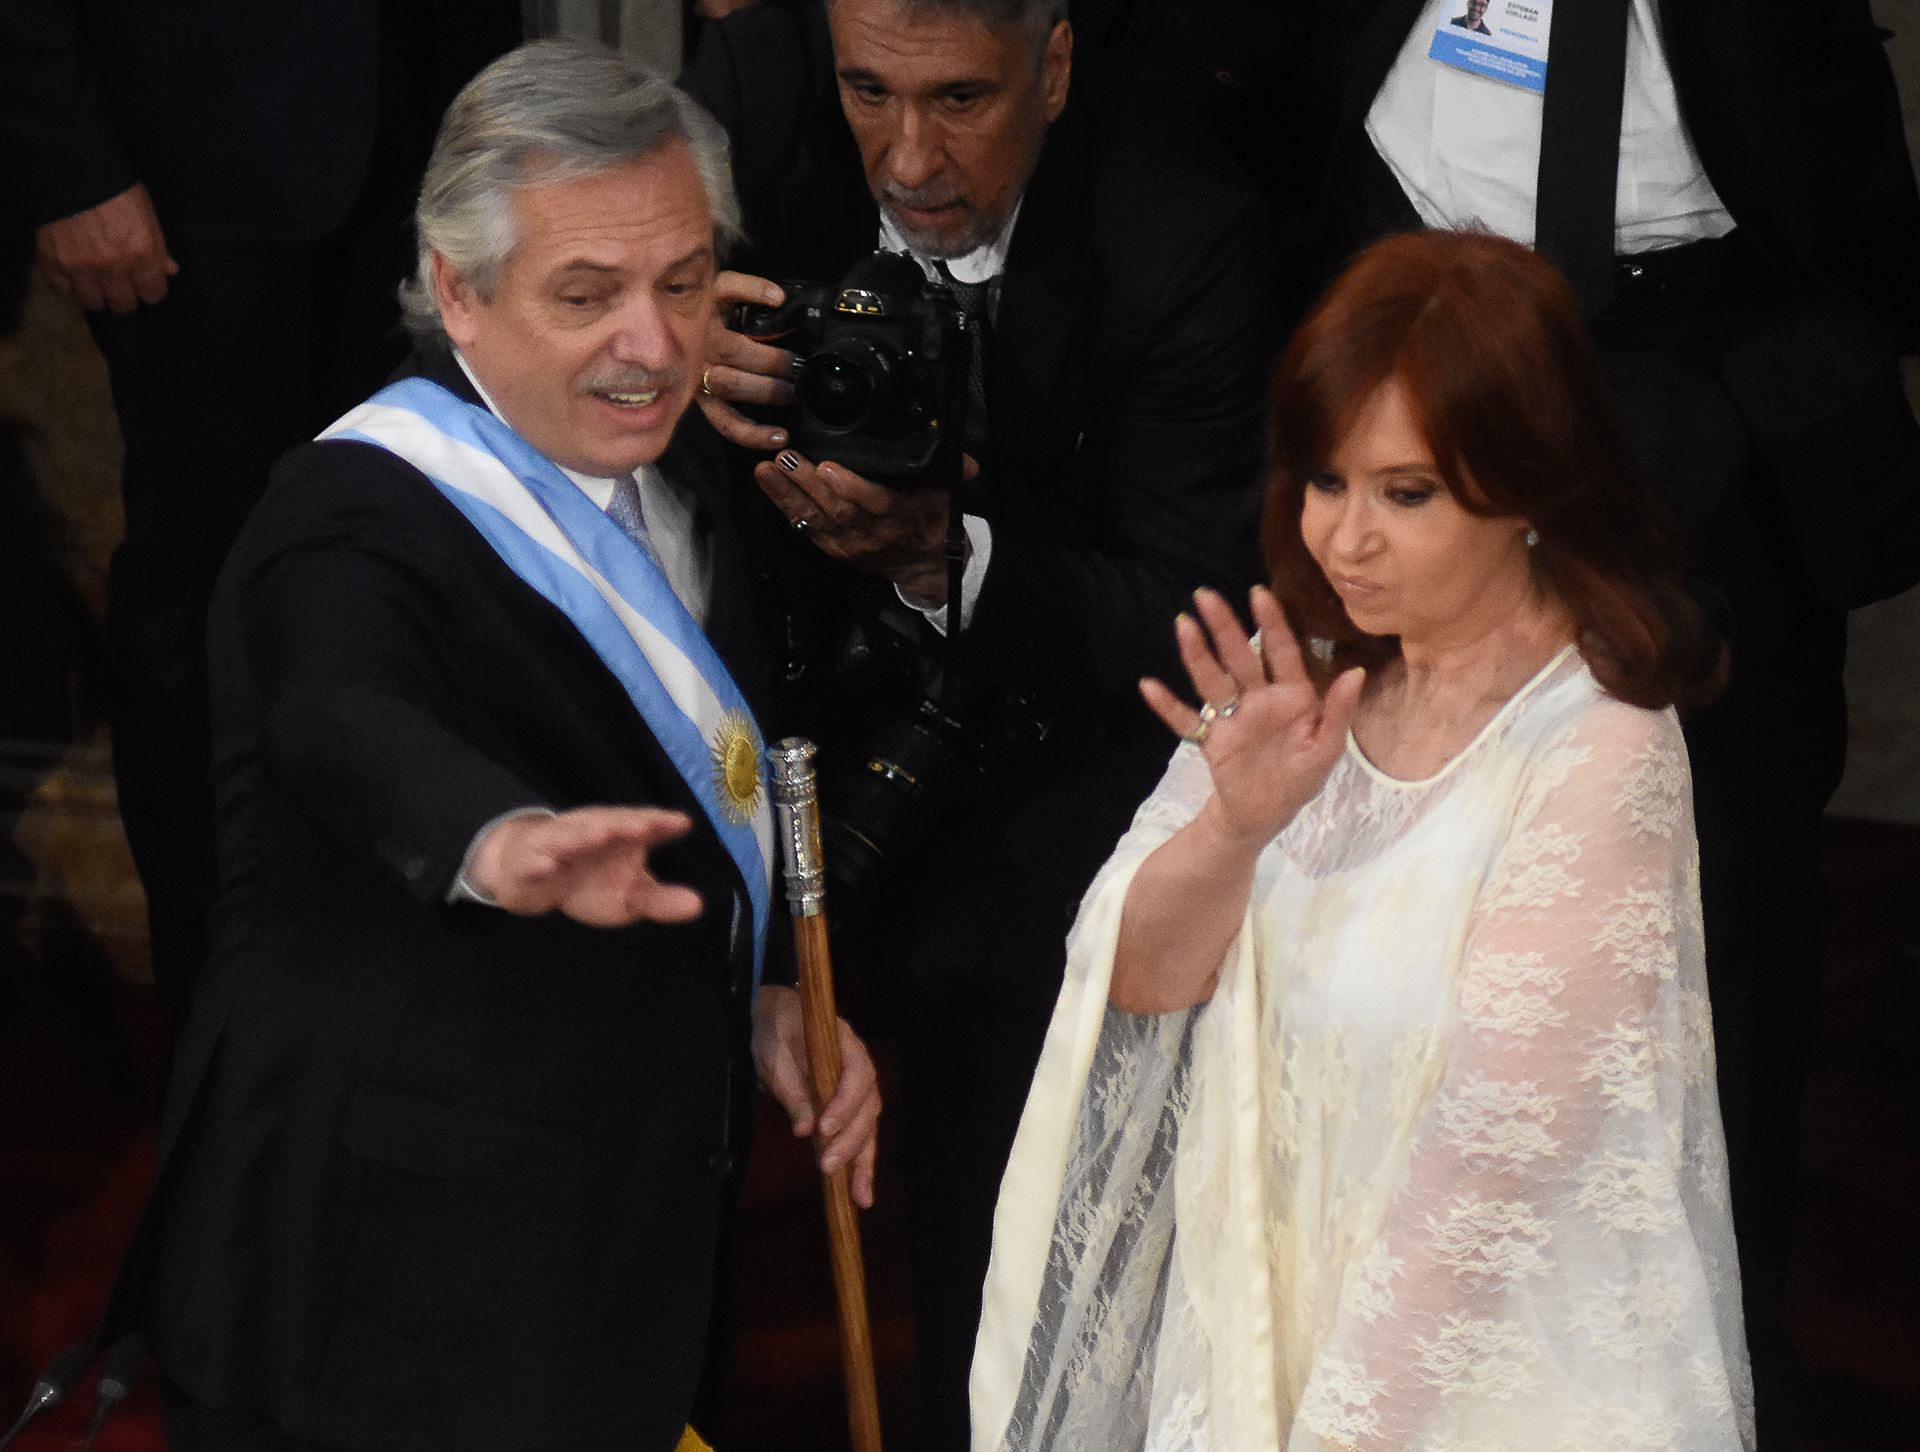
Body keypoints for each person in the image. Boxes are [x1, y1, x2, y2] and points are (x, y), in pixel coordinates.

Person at [114, 42, 879, 1452]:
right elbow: (338, 717)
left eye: (684, 283)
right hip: (386, 1313)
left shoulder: (673, 458)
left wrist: (763, 984)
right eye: (586, 296)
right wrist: (491, 836)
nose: (652, 344)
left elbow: (710, 755)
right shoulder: (344, 517)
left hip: (617, 1274)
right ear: (456, 287)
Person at [972, 231, 1751, 1450]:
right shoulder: (1299, 674)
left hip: (1479, 1389)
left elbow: (1495, 1167)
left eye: (1407, 493)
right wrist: (1235, 828)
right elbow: (1133, 982)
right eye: (1327, 481)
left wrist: (1332, 1435)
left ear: (1530, 483)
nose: (1345, 539)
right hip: (1252, 1353)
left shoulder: (1602, 750)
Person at [1305, 0, 1920, 1421]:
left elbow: (1859, 214)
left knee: (1720, 905)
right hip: (1412, 335)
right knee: (1405, 873)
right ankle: (1403, 1363)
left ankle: (1714, 1368)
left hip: (1686, 377)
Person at [684, 1, 1274, 1441]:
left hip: (1063, 706)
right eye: (869, 93)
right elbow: (554, 318)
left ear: (1054, 66)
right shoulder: (748, 114)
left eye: (960, 100)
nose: (908, 158)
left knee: (988, 980)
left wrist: (945, 562)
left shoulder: (1182, 223)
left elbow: (1188, 613)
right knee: (651, 934)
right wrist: (671, 351)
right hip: (777, 677)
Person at [0, 0, 523, 1029]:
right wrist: (67, 159)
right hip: (199, 159)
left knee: (409, 566)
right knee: (209, 594)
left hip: (440, 126)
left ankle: (386, 994)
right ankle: (229, 1016)